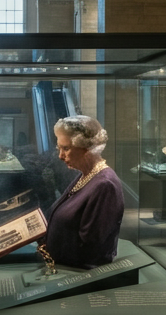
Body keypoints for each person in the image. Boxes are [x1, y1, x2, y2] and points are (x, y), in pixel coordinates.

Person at [40, 115, 124, 269]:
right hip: (64, 265)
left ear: (87, 149)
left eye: (66, 148)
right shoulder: (86, 175)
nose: (60, 156)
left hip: (80, 273)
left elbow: (92, 247)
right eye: (58, 148)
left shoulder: (105, 185)